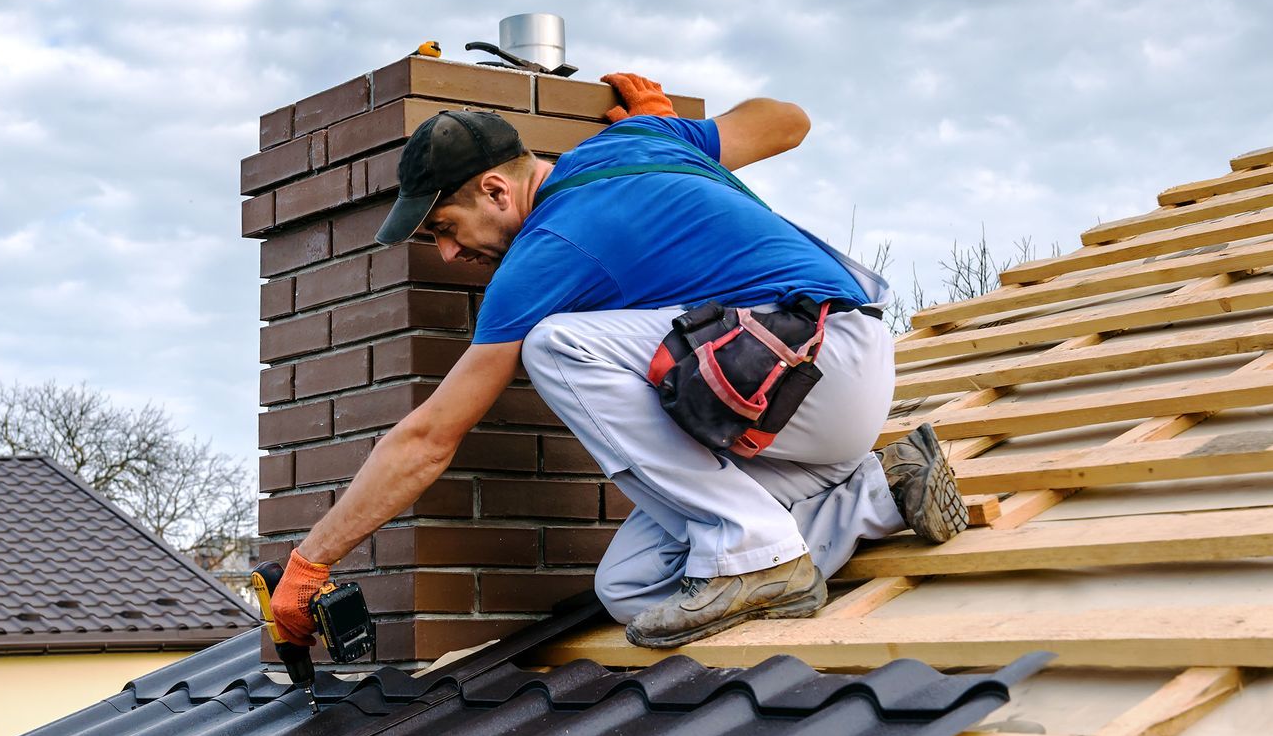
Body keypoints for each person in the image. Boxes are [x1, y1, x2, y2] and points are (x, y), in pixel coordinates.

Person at [269, 73, 966, 651]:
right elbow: (789, 119)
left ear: (495, 190)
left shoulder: (545, 251)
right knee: (631, 587)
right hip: (802, 406)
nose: (449, 255)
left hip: (816, 359)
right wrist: (681, 136)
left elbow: (429, 437)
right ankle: (880, 491)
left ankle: (757, 548)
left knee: (557, 343)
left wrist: (313, 559)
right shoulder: (643, 137)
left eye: (445, 229)